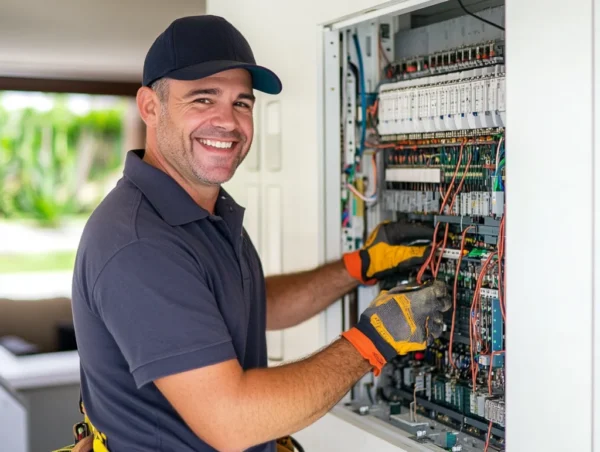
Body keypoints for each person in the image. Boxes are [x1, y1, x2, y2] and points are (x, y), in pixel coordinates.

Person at [70, 15, 451, 452]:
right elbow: (231, 422)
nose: (227, 122)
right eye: (202, 99)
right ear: (150, 107)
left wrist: (358, 266)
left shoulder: (204, 210)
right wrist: (373, 340)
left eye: (241, 103)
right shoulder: (138, 243)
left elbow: (251, 307)